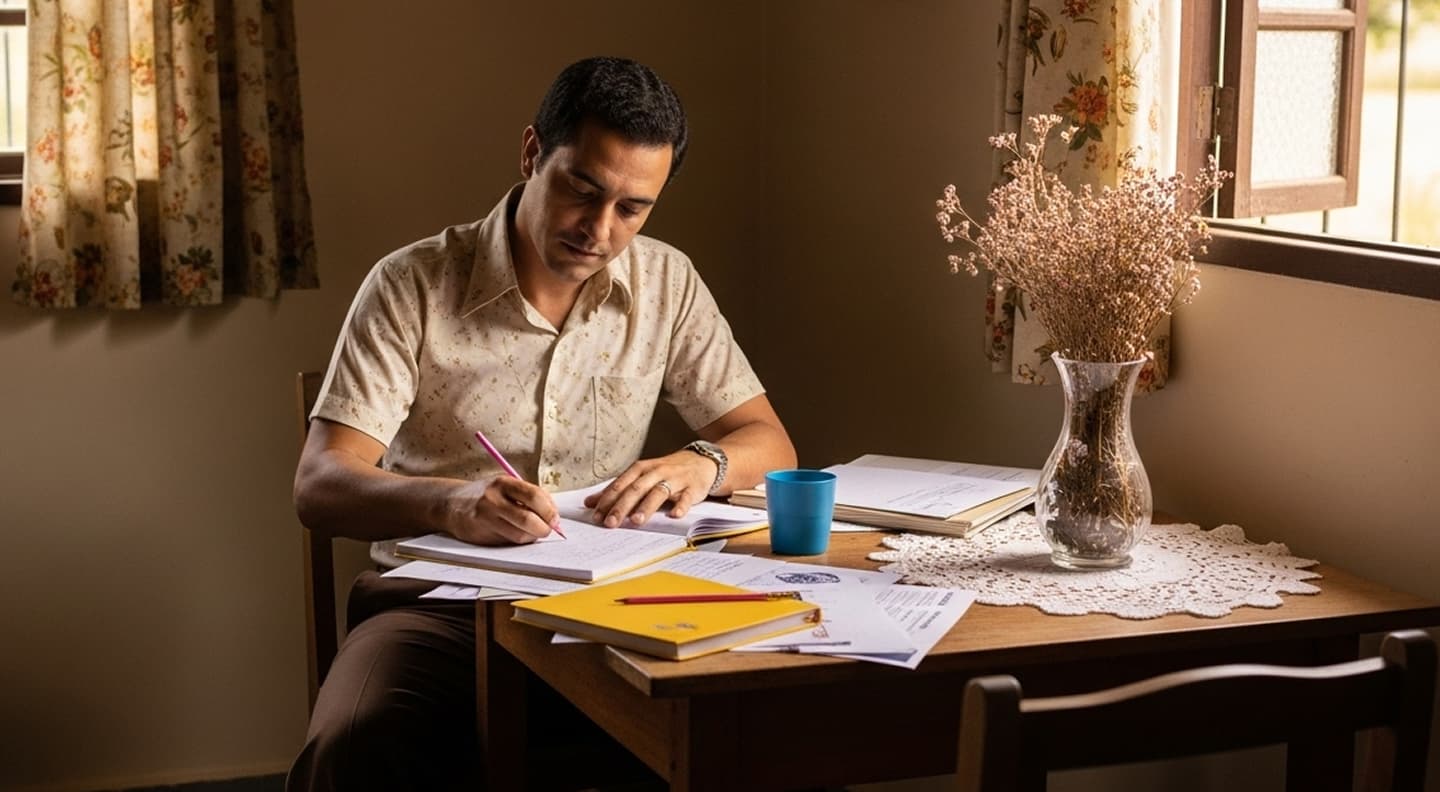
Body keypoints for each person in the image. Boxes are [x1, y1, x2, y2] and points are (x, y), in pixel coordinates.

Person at [286, 56, 796, 791]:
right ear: (532, 153)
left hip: (616, 607)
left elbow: (768, 441)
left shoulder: (668, 284)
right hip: (440, 610)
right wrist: (450, 503)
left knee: (753, 730)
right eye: (581, 191)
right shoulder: (411, 285)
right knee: (358, 746)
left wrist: (699, 463)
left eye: (633, 208)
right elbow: (318, 485)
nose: (600, 229)